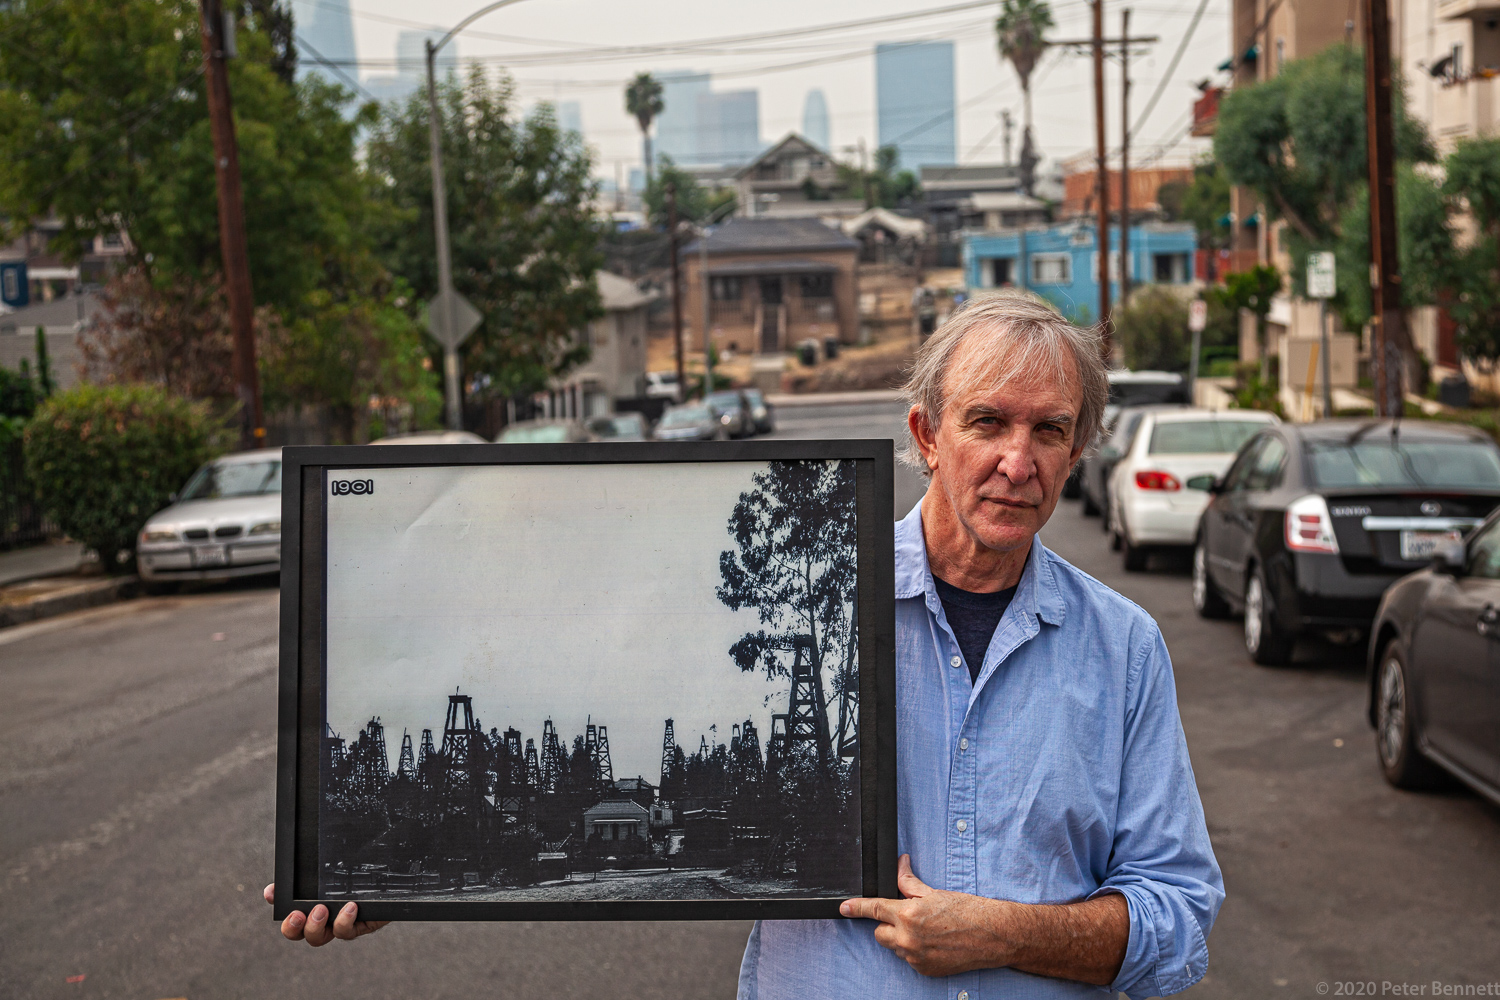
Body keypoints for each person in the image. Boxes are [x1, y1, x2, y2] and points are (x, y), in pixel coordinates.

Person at [266, 291, 1223, 998]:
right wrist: (388, 877)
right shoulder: (819, 612)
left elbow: (1176, 921)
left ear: (1080, 447)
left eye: (1050, 431)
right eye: (988, 423)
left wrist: (1000, 933)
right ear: (927, 435)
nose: (1019, 462)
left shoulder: (1123, 650)